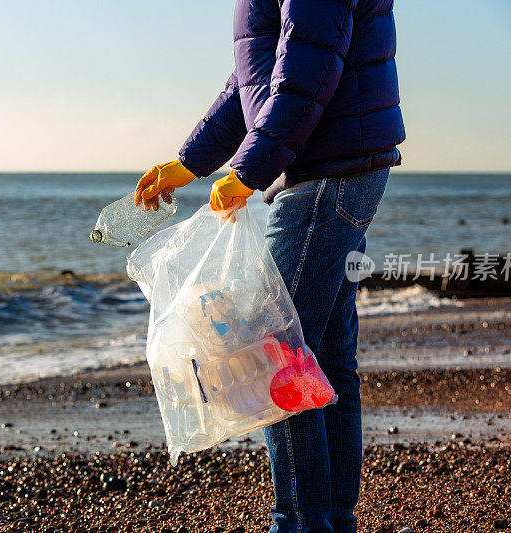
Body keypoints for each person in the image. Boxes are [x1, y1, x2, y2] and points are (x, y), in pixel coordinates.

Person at [134, 1, 405, 531]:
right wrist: (190, 162)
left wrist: (248, 170)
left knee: (277, 357)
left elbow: (306, 69)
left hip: (324, 176)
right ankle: (329, 520)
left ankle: (302, 524)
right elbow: (258, 77)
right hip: (334, 167)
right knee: (322, 358)